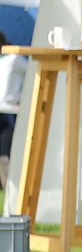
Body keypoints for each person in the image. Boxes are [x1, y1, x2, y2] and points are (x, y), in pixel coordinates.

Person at [0, 31, 27, 190]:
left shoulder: (14, 58)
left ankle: (12, 191)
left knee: (5, 154)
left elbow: (32, 73)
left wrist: (22, 98)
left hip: (9, 112)